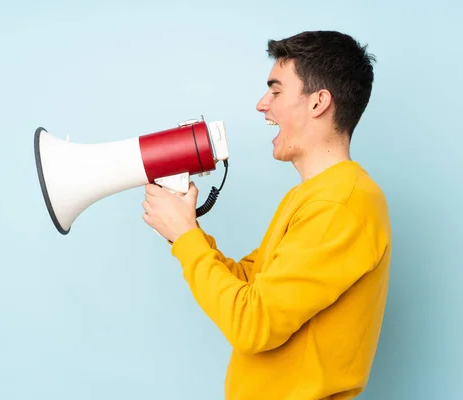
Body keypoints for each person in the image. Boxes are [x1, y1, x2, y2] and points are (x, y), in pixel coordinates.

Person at [142, 30, 391, 400]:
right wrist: (186, 228)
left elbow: (252, 324)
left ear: (318, 102)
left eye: (276, 91)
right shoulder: (311, 197)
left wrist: (186, 238)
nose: (262, 104)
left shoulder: (339, 205)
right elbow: (250, 284)